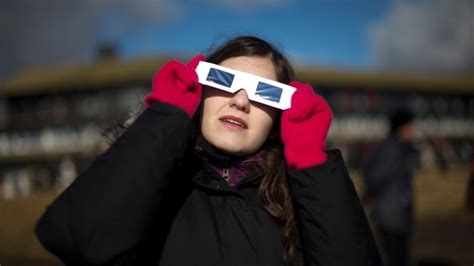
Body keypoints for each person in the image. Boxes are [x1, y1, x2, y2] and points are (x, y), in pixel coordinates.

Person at [35, 36, 382, 266]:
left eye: (265, 93)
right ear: (199, 92)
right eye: (224, 81)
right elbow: (76, 240)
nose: (241, 100)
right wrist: (165, 119)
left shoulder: (298, 198)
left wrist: (311, 161)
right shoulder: (151, 182)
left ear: (280, 115)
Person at [362, 109, 418, 266]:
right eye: (410, 126)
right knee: (396, 258)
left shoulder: (401, 147)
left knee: (400, 256)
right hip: (390, 213)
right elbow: (375, 177)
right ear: (401, 128)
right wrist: (369, 196)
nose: (412, 130)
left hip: (398, 212)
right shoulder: (391, 149)